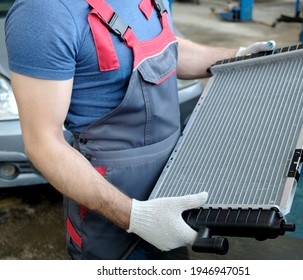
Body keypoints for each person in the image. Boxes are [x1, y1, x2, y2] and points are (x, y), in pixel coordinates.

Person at [5, 0, 275, 259]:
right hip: (112, 217)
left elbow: (169, 48)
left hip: (173, 192)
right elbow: (43, 143)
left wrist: (237, 57)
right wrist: (137, 217)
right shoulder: (42, 13)